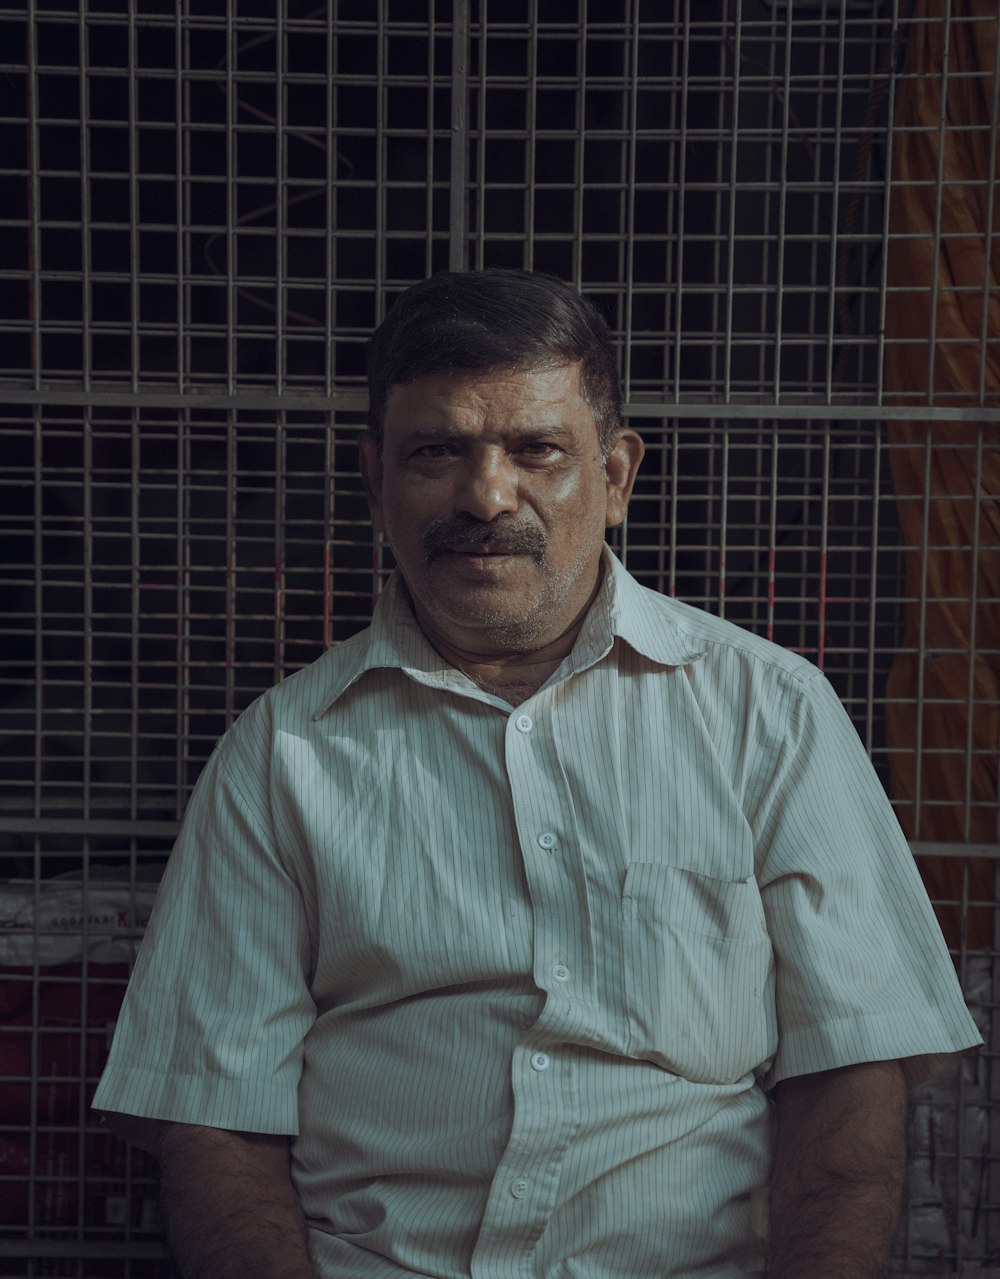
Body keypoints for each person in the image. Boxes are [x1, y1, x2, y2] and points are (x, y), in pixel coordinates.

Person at [94, 269, 981, 1279]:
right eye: (438, 451)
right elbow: (215, 1116)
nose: (484, 494)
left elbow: (851, 1069)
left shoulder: (765, 712)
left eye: (536, 450)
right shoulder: (281, 751)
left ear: (615, 477)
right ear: (374, 481)